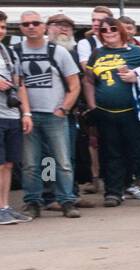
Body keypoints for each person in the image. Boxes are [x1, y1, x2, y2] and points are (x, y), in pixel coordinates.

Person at [84, 17, 140, 207]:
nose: (109, 32)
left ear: (121, 30)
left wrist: (136, 76)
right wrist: (92, 106)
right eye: (104, 30)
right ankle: (113, 192)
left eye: (113, 28)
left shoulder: (138, 51)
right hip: (105, 112)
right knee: (111, 153)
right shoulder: (97, 53)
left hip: (133, 111)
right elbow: (88, 80)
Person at [15, 11, 81, 218]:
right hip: (29, 116)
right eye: (26, 24)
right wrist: (24, 111)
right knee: (31, 163)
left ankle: (66, 200)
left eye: (35, 23)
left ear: (43, 26)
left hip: (55, 116)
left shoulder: (58, 51)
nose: (31, 27)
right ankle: (35, 200)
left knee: (61, 161)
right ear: (21, 28)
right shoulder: (15, 51)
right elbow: (18, 84)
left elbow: (75, 84)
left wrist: (64, 108)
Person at [0, 15, 30, 224]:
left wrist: (26, 113)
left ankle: (5, 206)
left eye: (2, 27)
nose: (0, 30)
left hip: (11, 114)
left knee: (9, 164)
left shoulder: (8, 52)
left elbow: (20, 85)